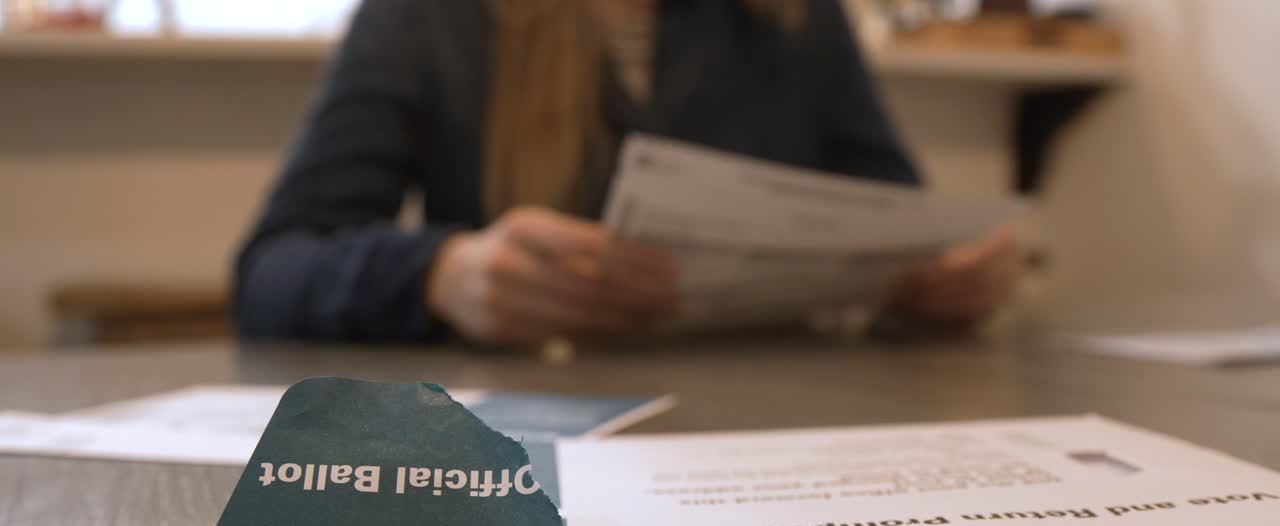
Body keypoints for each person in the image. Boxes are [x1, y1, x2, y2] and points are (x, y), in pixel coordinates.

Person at [235, 0, 1021, 344]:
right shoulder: (428, 18)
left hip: (779, 432)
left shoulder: (794, 14)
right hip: (531, 442)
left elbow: (897, 218)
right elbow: (271, 271)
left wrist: (943, 281)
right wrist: (441, 274)